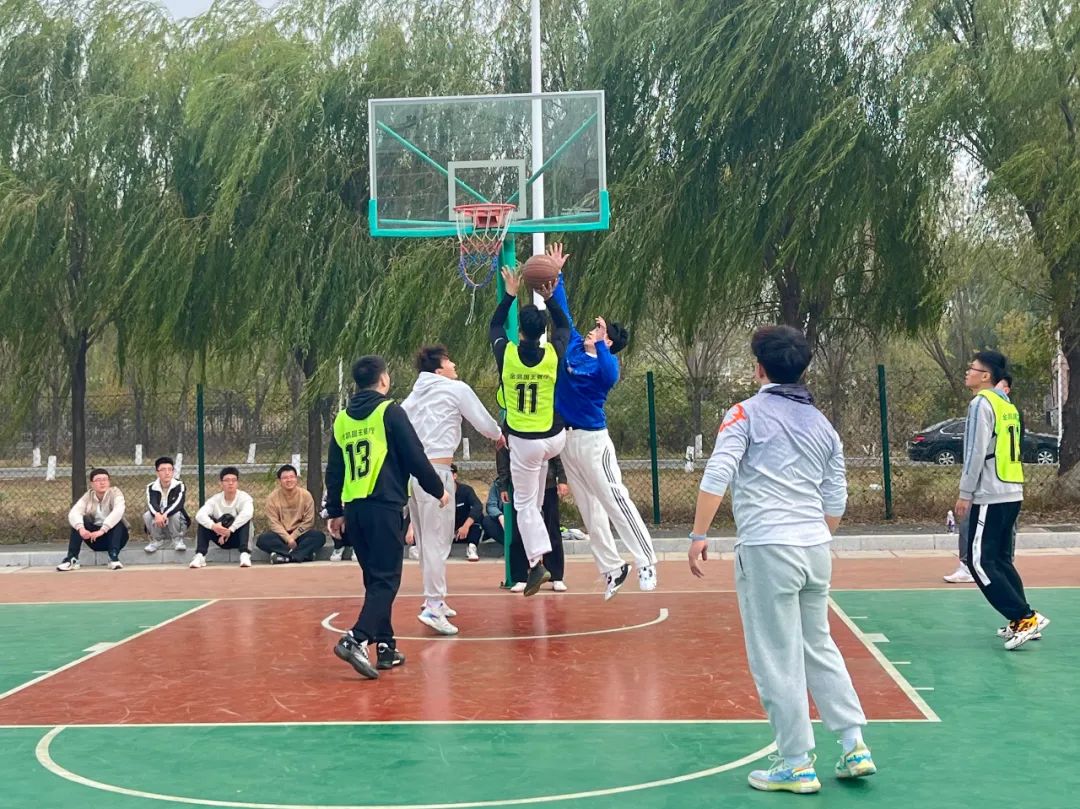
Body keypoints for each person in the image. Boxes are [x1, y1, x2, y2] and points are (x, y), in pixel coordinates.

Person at [689, 325, 874, 795]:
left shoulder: (744, 414)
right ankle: (853, 744)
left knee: (776, 656)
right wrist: (812, 537)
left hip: (768, 547)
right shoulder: (823, 425)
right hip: (815, 548)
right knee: (819, 644)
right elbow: (836, 498)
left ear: (759, 369)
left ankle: (796, 762)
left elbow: (718, 472)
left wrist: (699, 534)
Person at [545, 243, 658, 600]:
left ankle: (646, 560)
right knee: (590, 510)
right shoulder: (574, 347)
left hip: (594, 442)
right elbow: (563, 315)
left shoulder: (605, 366)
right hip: (568, 441)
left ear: (608, 340)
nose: (593, 330)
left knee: (614, 499)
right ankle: (612, 568)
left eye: (600, 331)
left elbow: (609, 373)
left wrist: (605, 343)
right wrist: (557, 277)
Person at [327, 355, 448, 679]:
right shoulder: (389, 412)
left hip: (355, 510)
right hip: (383, 506)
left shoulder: (342, 420)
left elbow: (334, 469)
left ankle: (385, 646)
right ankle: (355, 639)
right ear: (383, 380)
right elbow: (414, 456)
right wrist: (438, 489)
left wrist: (335, 511)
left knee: (375, 580)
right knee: (386, 580)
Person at [401, 345, 503, 635]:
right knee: (437, 542)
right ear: (438, 370)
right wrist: (498, 435)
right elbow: (483, 422)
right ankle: (433, 606)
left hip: (415, 475)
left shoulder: (413, 396)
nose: (454, 364)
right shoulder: (455, 389)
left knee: (426, 541)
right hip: (437, 472)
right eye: (448, 361)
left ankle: (433, 600)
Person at [955, 352, 1049, 650]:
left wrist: (965, 493)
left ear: (986, 376)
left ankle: (1024, 617)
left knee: (978, 561)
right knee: (1000, 559)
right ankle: (1022, 619)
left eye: (972, 368)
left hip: (990, 492)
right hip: (1012, 489)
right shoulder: (1006, 404)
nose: (967, 372)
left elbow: (975, 451)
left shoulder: (981, 403)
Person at [491, 267, 569, 596]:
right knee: (534, 505)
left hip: (526, 442)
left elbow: (495, 326)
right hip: (555, 438)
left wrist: (510, 293)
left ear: (520, 331)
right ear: (542, 332)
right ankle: (540, 558)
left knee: (523, 506)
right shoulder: (553, 353)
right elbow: (564, 327)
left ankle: (537, 563)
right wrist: (550, 297)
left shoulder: (507, 354)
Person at [944, 372, 1022, 584]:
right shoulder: (1004, 410)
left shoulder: (988, 406)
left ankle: (979, 567)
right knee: (974, 529)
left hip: (996, 487)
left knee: (988, 558)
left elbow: (978, 451)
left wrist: (966, 491)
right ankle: (970, 564)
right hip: (1004, 486)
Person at [497, 444, 568, 592]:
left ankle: (556, 576)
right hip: (521, 487)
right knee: (519, 530)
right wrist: (503, 485)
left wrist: (562, 478)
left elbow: (556, 451)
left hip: (547, 484)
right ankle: (520, 577)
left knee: (551, 529)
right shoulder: (509, 431)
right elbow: (503, 455)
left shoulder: (546, 431)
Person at [58, 468, 128, 571]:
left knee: (118, 522)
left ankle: (113, 558)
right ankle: (72, 559)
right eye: (98, 480)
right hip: (94, 539)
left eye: (105, 479)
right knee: (79, 522)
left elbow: (118, 511)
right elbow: (74, 512)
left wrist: (102, 530)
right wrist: (81, 529)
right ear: (92, 484)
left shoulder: (115, 493)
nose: (102, 483)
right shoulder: (88, 496)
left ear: (109, 482)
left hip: (116, 538)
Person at [256, 464, 326, 564]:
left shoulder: (305, 495)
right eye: (285, 478)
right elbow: (273, 523)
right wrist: (287, 538)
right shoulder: (272, 497)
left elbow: (309, 521)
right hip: (281, 535)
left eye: (292, 477)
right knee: (263, 540)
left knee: (319, 537)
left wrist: (293, 536)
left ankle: (285, 557)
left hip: (300, 534)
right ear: (279, 481)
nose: (289, 480)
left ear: (296, 479)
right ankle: (302, 555)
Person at [190, 467, 255, 568]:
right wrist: (214, 526)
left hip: (237, 537)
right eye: (227, 480)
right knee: (204, 522)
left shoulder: (244, 498)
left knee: (246, 521)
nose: (230, 483)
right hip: (219, 537)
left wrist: (231, 529)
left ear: (237, 483)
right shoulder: (215, 499)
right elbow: (200, 515)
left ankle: (245, 555)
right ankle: (200, 556)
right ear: (221, 483)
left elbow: (248, 513)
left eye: (233, 480)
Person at [143, 456, 189, 554]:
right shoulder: (151, 487)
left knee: (175, 513)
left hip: (176, 524)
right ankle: (157, 540)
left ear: (173, 471)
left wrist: (164, 514)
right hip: (158, 524)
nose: (167, 473)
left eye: (169, 469)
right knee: (147, 515)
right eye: (163, 470)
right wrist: (157, 514)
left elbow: (178, 503)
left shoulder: (179, 485)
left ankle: (177, 540)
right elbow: (151, 503)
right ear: (157, 472)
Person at [450, 464, 485, 562]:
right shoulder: (438, 492)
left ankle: (472, 547)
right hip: (447, 531)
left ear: (454, 476)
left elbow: (478, 506)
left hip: (465, 531)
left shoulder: (466, 490)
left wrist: (465, 526)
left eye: (447, 475)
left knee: (479, 516)